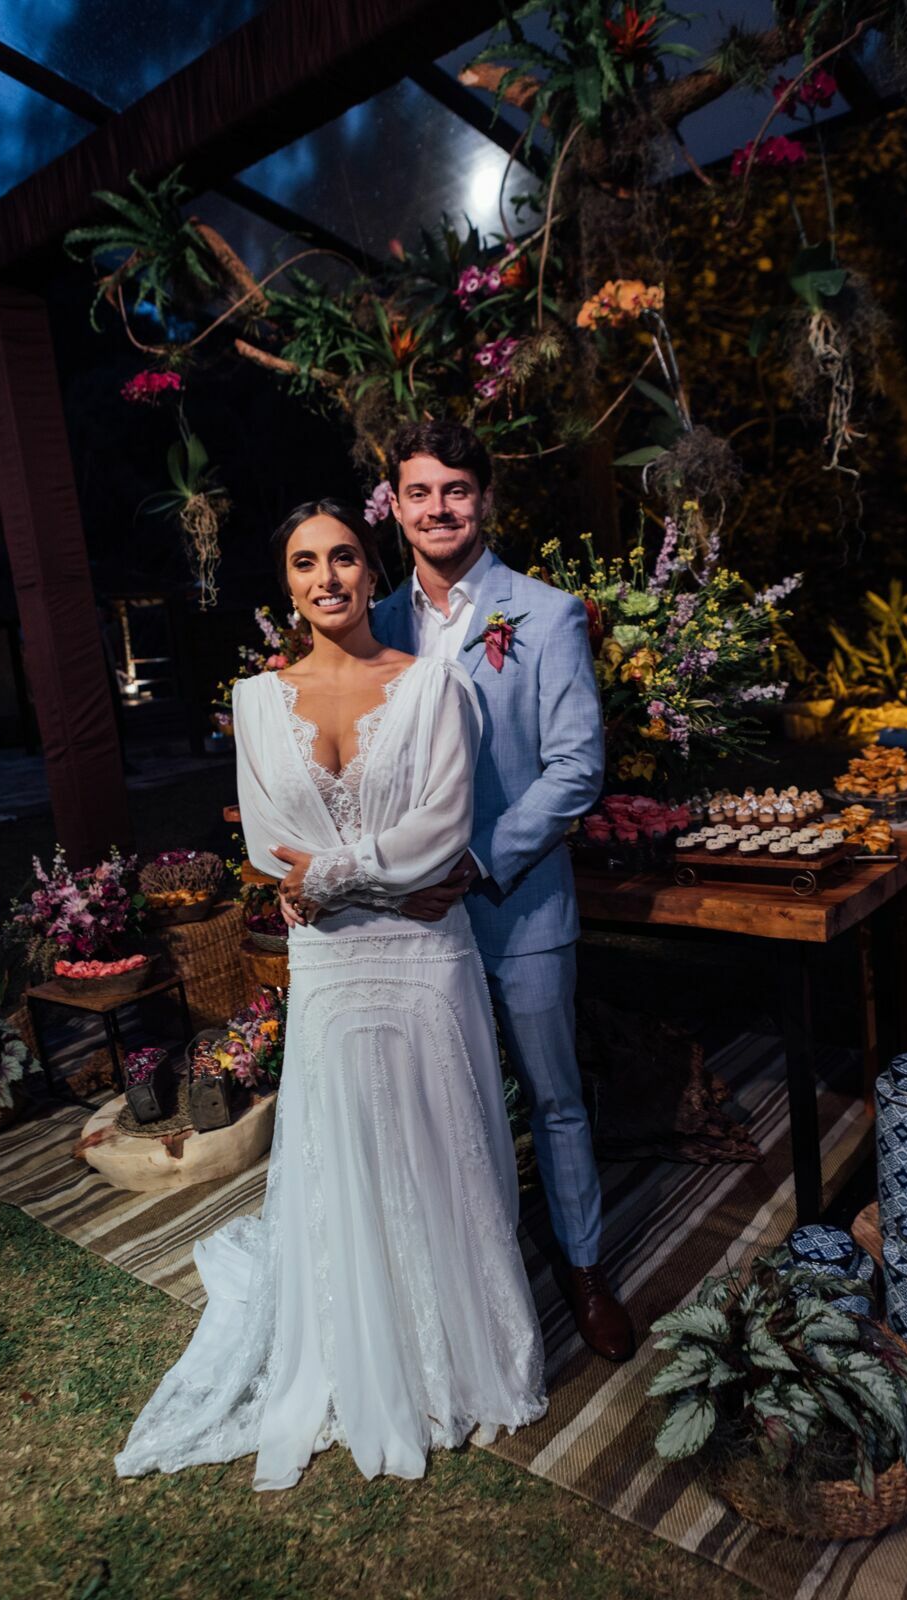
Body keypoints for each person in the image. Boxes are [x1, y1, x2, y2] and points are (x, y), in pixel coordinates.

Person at [115, 500, 546, 1491]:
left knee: (444, 1142)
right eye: (305, 561)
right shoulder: (257, 703)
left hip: (423, 958)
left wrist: (327, 877)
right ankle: (364, 1347)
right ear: (287, 583)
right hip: (333, 967)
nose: (326, 577)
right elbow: (270, 846)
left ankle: (467, 1355)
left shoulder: (433, 685)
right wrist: (349, 874)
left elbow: (441, 832)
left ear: (370, 566)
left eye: (344, 555)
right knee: (345, 1149)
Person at [370, 420, 634, 1364]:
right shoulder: (375, 624)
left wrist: (478, 861)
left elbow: (573, 770)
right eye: (418, 493)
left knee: (554, 1097)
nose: (438, 508)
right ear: (393, 505)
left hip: (516, 906)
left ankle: (586, 1267)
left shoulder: (546, 614)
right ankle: (463, 1274)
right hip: (407, 920)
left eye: (455, 490)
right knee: (443, 1102)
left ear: (484, 498)